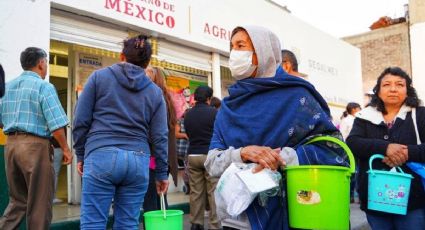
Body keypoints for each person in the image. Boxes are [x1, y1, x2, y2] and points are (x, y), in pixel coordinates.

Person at [204, 25, 348, 230]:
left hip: (293, 212)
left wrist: (283, 157)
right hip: (237, 217)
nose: (234, 53)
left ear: (263, 52)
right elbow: (211, 163)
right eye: (232, 47)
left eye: (241, 45)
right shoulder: (229, 105)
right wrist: (242, 153)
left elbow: (333, 148)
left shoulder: (297, 96)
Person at [72, 35, 169, 229]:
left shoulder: (98, 77)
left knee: (93, 223)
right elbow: (160, 136)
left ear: (121, 56)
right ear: (147, 63)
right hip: (138, 161)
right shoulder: (155, 92)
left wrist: (82, 154)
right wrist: (161, 174)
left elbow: (80, 121)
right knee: (127, 224)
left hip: (101, 155)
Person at [0, 47, 72, 230]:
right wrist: (65, 149)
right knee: (39, 204)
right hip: (35, 147)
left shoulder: (7, 86)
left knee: (17, 201)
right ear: (41, 63)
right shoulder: (44, 86)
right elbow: (56, 124)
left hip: (10, 146)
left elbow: (1, 121)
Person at [346, 67, 425, 229]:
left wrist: (406, 152)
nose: (393, 89)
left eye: (400, 85)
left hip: (413, 199)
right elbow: (353, 143)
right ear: (379, 91)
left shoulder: (420, 114)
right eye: (387, 84)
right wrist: (386, 147)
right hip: (375, 198)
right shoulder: (365, 116)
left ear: (408, 90)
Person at [143, 66, 178, 215]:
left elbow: (156, 134)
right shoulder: (167, 100)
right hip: (163, 156)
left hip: (153, 157)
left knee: (151, 202)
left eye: (146, 77)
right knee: (159, 199)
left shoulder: (155, 99)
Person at [184, 86, 220, 230]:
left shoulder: (188, 114)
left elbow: (188, 133)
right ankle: (215, 225)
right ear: (208, 98)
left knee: (196, 192)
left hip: (192, 155)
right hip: (209, 155)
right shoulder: (214, 113)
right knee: (213, 192)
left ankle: (196, 224)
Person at [339, 102, 362, 203]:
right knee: (353, 171)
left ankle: (358, 195)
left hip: (358, 148)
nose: (360, 109)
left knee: (358, 170)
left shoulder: (359, 119)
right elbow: (342, 135)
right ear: (353, 109)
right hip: (349, 149)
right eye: (358, 108)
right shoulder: (346, 120)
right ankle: (351, 195)